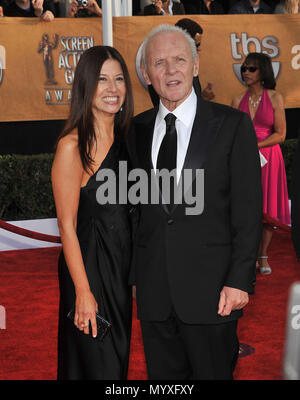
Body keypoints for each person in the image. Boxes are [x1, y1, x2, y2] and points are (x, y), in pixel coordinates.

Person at [127, 24, 262, 380]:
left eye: (179, 59)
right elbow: (137, 213)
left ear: (196, 65)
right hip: (155, 295)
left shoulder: (232, 125)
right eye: (159, 62)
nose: (170, 70)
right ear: (146, 74)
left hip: (213, 292)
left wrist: (239, 280)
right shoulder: (136, 130)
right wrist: (136, 276)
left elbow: (248, 211)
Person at [52, 45, 134, 380]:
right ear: (86, 85)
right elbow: (66, 226)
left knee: (117, 360)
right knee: (96, 365)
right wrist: (83, 292)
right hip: (87, 267)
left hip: (120, 269)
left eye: (118, 79)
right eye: (102, 80)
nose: (112, 89)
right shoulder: (71, 146)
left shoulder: (131, 139)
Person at [232, 52, 290, 275]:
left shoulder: (275, 98)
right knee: (245, 209)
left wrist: (256, 146)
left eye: (251, 69)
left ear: (263, 71)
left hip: (269, 158)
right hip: (244, 160)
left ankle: (263, 254)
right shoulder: (237, 100)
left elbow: (282, 134)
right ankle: (247, 256)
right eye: (244, 68)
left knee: (267, 208)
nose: (245, 72)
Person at [148, 18, 215, 107]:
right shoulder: (166, 70)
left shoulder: (188, 65)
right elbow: (172, 106)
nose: (198, 49)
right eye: (195, 45)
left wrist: (202, 97)